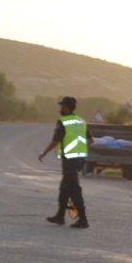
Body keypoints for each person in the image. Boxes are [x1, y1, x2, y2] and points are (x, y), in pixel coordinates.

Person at [37, 96, 89, 228]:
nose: (60, 108)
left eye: (61, 106)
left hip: (70, 160)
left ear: (66, 107)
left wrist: (44, 152)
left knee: (73, 189)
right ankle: (60, 216)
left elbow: (56, 140)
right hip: (79, 159)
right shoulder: (81, 121)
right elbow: (91, 140)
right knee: (64, 188)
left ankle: (83, 220)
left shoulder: (64, 121)